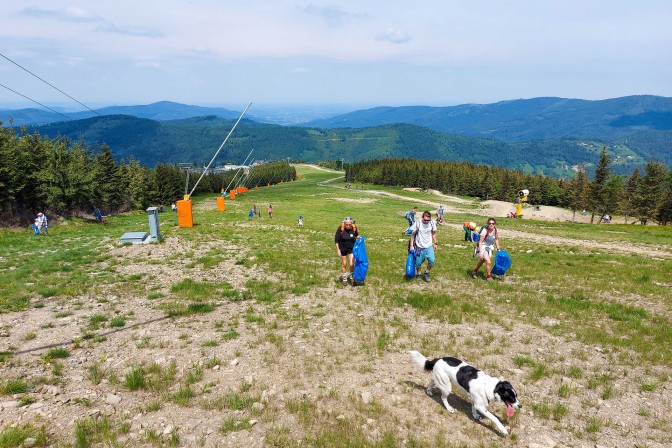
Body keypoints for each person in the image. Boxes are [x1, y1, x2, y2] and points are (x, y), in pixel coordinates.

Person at [409, 210, 437, 282]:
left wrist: (435, 243)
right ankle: (418, 273)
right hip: (419, 247)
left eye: (428, 220)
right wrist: (411, 246)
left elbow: (433, 233)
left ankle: (427, 272)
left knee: (432, 260)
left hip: (429, 246)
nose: (427, 221)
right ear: (422, 217)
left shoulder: (432, 223)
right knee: (418, 263)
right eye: (425, 220)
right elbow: (412, 234)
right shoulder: (418, 223)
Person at [335, 217, 359, 285]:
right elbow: (336, 240)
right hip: (343, 248)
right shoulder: (341, 229)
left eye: (349, 224)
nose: (348, 226)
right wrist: (338, 250)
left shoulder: (354, 228)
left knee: (352, 264)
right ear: (344, 224)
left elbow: (356, 235)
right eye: (346, 224)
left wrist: (360, 238)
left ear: (351, 223)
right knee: (344, 264)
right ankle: (344, 279)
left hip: (351, 248)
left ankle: (352, 278)